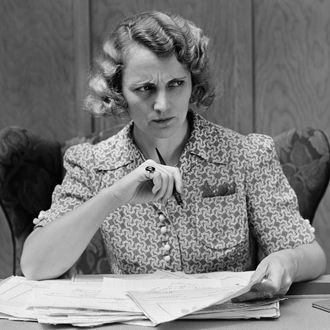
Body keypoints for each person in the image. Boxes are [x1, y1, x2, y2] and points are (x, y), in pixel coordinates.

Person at [21, 11, 326, 300]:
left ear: (193, 84)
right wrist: (114, 195)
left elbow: (312, 256)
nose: (163, 104)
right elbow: (35, 266)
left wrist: (287, 260)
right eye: (145, 88)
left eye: (176, 84)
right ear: (118, 92)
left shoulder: (246, 155)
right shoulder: (91, 164)